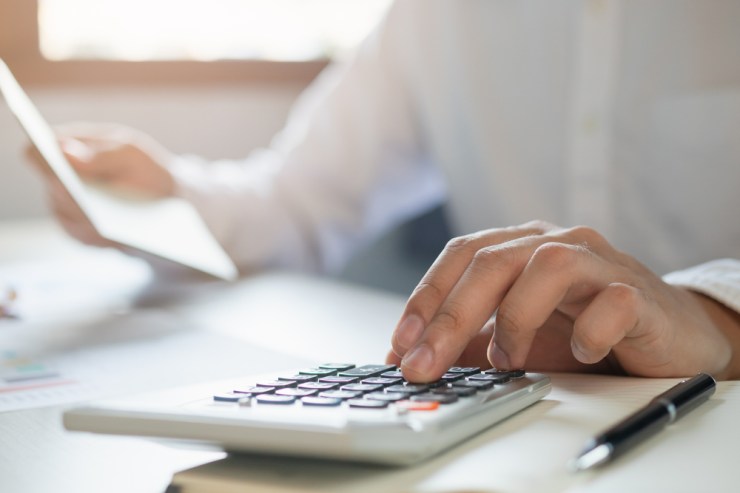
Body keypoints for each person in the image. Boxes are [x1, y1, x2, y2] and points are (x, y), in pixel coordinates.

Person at [27, 1, 740, 380]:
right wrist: (162, 199)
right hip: (532, 426)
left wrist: (712, 319)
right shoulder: (433, 14)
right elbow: (298, 204)